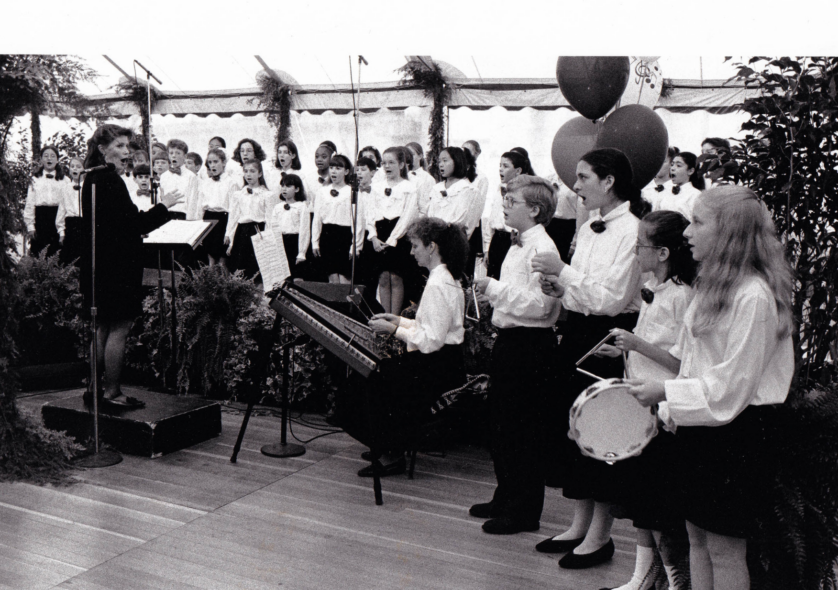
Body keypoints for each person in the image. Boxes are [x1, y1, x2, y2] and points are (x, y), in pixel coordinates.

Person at [626, 186, 793, 590]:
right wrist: (667, 401)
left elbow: (731, 387)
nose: (687, 233)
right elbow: (692, 364)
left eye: (698, 222)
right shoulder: (710, 288)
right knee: (697, 540)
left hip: (737, 433)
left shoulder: (752, 296)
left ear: (730, 232)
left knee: (725, 549)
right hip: (702, 427)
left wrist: (665, 395)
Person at [533, 148, 647, 569]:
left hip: (607, 339)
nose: (575, 186)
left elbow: (613, 299)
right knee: (572, 429)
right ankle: (578, 525)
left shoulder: (632, 231)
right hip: (580, 331)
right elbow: (585, 291)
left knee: (601, 434)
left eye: (583, 177)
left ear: (609, 180)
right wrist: (561, 290)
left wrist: (563, 272)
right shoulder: (588, 226)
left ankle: (601, 536)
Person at [593, 210, 696, 590]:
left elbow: (680, 362)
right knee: (640, 502)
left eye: (641, 245)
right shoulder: (654, 290)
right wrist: (623, 351)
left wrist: (637, 344)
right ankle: (642, 577)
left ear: (664, 252)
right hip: (639, 406)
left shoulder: (682, 296)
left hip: (664, 412)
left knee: (659, 505)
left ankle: (672, 580)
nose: (636, 251)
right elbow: (648, 350)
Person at [470, 175, 562, 535]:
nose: (505, 204)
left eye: (512, 200)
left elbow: (542, 306)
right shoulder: (517, 243)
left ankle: (524, 511)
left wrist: (494, 289)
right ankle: (505, 495)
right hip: (510, 341)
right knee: (502, 425)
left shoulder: (543, 250)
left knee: (523, 430)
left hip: (530, 346)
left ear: (535, 210)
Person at [79, 124, 179, 407]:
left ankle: (94, 389)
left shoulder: (94, 180)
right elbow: (132, 225)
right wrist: (164, 207)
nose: (127, 152)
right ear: (102, 150)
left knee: (102, 327)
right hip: (117, 268)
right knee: (119, 328)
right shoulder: (110, 180)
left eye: (127, 146)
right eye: (120, 146)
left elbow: (113, 226)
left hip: (102, 266)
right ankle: (112, 393)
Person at [364, 217, 469, 476]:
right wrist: (399, 319)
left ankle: (392, 453)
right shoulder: (444, 276)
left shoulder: (437, 282)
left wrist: (393, 330)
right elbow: (431, 329)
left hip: (438, 366)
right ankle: (388, 443)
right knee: (384, 372)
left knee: (380, 379)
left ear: (431, 247)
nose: (411, 252)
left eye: (414, 246)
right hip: (445, 360)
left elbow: (430, 340)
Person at [366, 147, 419, 314]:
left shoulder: (409, 188)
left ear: (402, 164)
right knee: (382, 278)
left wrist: (393, 239)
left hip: (398, 235)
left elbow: (407, 217)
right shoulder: (376, 187)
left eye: (391, 162)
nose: (387, 166)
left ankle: (393, 320)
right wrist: (373, 236)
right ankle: (384, 316)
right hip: (380, 234)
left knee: (396, 278)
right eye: (384, 163)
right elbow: (369, 213)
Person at [311, 154, 365, 284]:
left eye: (338, 168)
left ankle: (345, 305)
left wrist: (356, 246)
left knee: (345, 280)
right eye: (332, 167)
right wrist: (315, 241)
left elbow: (358, 221)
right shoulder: (322, 192)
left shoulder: (353, 192)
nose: (334, 171)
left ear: (346, 171)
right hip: (327, 236)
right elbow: (317, 218)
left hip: (345, 237)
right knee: (332, 280)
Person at [481, 150, 528, 279]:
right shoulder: (499, 189)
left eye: (505, 166)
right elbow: (492, 220)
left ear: (518, 171)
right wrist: (487, 249)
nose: (500, 169)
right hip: (497, 240)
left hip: (512, 240)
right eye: (500, 165)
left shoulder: (524, 193)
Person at [224, 159, 273, 282]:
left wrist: (267, 240)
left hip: (257, 231)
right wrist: (228, 235)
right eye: (246, 171)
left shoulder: (266, 195)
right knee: (239, 267)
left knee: (255, 268)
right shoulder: (239, 194)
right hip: (241, 232)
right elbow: (234, 217)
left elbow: (269, 220)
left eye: (252, 171)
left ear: (260, 174)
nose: (249, 174)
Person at [195, 148, 238, 267]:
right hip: (208, 219)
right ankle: (210, 286)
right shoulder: (205, 183)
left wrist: (229, 233)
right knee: (211, 260)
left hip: (223, 220)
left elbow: (233, 210)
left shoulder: (231, 183)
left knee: (223, 261)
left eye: (216, 162)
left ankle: (225, 286)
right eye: (210, 162)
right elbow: (200, 208)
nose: (212, 165)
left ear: (224, 162)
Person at [24, 145, 67, 257]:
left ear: (57, 160)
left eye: (53, 156)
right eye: (46, 156)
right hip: (40, 219)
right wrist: (30, 226)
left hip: (58, 217)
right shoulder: (34, 179)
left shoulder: (65, 180)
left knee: (57, 254)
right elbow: (30, 203)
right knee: (39, 255)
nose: (49, 159)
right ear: (41, 159)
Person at [267, 173, 310, 278]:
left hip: (295, 243)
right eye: (283, 186)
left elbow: (304, 230)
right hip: (280, 242)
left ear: (297, 189)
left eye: (288, 186)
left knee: (295, 275)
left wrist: (301, 252)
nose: (284, 189)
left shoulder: (301, 207)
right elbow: (273, 228)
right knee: (281, 276)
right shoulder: (278, 207)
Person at [427, 147, 478, 235]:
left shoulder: (468, 189)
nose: (441, 165)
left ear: (457, 161)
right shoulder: (436, 188)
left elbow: (461, 221)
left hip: (454, 238)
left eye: (445, 160)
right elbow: (430, 215)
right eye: (439, 161)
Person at [656, 152, 704, 222]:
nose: (672, 168)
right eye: (672, 165)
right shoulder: (665, 192)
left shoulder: (695, 195)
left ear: (690, 171)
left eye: (678, 165)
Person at [159, 139, 197, 220]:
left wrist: (189, 220)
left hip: (182, 215)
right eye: (171, 153)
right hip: (165, 215)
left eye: (178, 153)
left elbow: (192, 202)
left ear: (185, 156)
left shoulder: (191, 176)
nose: (174, 156)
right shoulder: (164, 176)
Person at [405, 142, 436, 215]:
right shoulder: (402, 176)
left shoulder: (428, 178)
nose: (408, 158)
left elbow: (427, 206)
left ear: (420, 156)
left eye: (412, 154)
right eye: (406, 156)